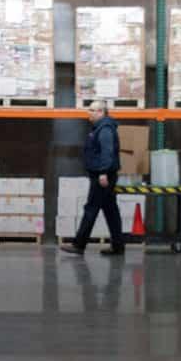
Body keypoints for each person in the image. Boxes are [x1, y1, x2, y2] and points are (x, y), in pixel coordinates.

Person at [61, 101, 125, 257]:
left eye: (92, 110)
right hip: (104, 175)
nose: (88, 113)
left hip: (102, 176)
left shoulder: (105, 130)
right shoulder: (101, 128)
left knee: (91, 209)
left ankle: (79, 245)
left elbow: (107, 152)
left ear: (101, 112)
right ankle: (118, 246)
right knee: (111, 211)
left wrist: (103, 172)